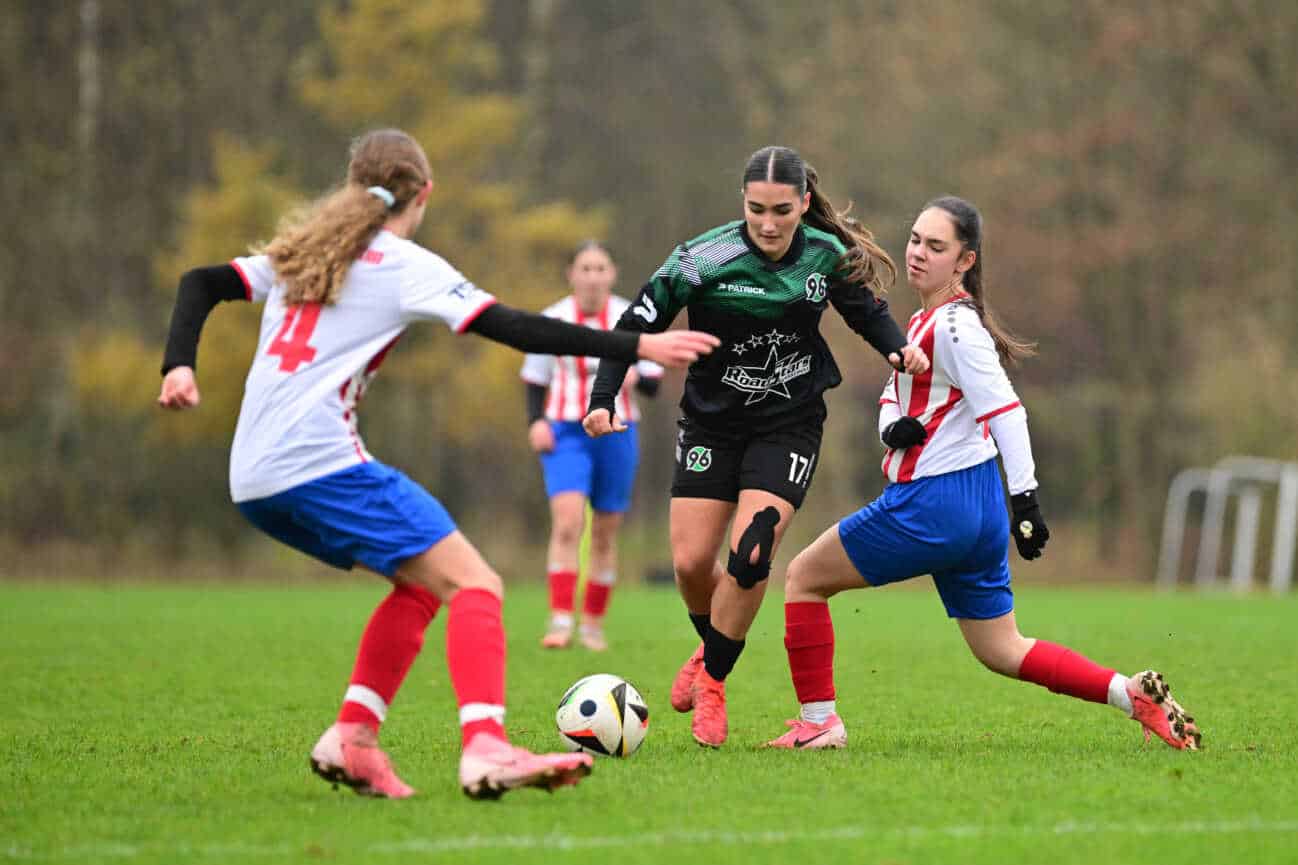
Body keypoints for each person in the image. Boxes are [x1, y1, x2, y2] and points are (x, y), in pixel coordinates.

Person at [155, 128, 719, 799]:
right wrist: (639, 340)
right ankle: (487, 750)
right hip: (318, 463)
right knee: (477, 583)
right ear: (424, 194)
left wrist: (178, 366)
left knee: (422, 584)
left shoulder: (304, 251)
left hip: (253, 474)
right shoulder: (399, 262)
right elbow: (512, 326)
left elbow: (200, 282)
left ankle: (353, 739)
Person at [764, 195, 1201, 752]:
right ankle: (1129, 695)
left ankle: (820, 722)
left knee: (803, 577)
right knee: (1001, 649)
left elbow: (1007, 412)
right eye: (916, 239)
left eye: (936, 246)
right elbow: (897, 397)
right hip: (977, 508)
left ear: (966, 261)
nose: (919, 253)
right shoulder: (929, 323)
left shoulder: (954, 328)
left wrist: (1029, 502)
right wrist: (894, 427)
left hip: (934, 506)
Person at [582, 146, 930, 747]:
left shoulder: (825, 255)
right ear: (741, 203)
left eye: (782, 211)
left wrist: (898, 348)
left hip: (789, 424)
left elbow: (865, 313)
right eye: (756, 210)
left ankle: (714, 680)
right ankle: (715, 639)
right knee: (692, 563)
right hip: (710, 424)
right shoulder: (702, 258)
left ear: (802, 205)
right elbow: (633, 326)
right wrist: (604, 395)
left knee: (751, 552)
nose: (768, 225)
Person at [520, 241, 663, 652]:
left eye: (600, 268)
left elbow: (653, 381)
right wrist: (535, 422)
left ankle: (593, 626)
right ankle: (561, 620)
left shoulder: (630, 316)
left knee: (604, 532)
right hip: (565, 430)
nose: (592, 276)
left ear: (611, 274)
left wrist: (638, 378)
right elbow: (535, 376)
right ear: (572, 274)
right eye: (585, 268)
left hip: (618, 430)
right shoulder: (554, 318)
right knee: (567, 522)